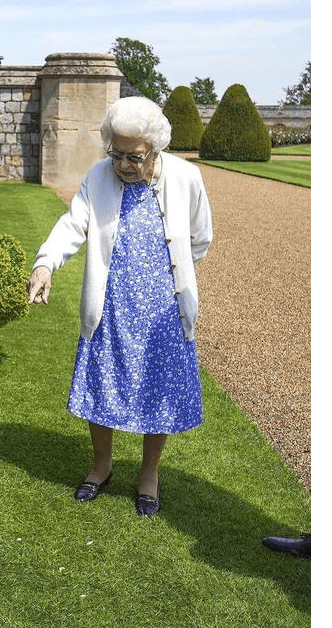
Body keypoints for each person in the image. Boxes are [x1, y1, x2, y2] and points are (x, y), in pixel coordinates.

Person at [27, 96, 213, 517]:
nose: (125, 165)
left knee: (159, 390)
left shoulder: (187, 177)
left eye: (135, 157)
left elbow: (200, 238)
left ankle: (149, 474)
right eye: (117, 154)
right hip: (111, 305)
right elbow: (72, 225)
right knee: (102, 384)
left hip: (164, 311)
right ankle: (101, 466)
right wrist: (44, 266)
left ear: (155, 148)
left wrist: (173, 275)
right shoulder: (99, 176)